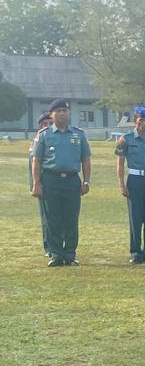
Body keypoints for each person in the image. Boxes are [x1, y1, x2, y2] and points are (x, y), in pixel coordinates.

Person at [31, 99, 91, 266]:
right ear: (52, 115)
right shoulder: (44, 135)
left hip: (72, 181)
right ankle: (56, 254)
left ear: (69, 113)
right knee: (53, 218)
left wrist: (86, 181)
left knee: (71, 218)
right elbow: (37, 160)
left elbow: (85, 160)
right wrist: (36, 183)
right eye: (58, 111)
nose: (62, 114)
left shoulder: (78, 135)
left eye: (65, 111)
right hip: (50, 180)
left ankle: (70, 254)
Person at [115, 106, 145, 263]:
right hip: (134, 180)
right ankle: (136, 252)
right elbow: (120, 163)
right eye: (142, 120)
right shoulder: (125, 139)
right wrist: (121, 184)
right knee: (135, 217)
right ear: (135, 121)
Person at [29, 112, 52, 256]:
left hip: (57, 182)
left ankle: (58, 245)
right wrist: (35, 184)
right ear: (41, 125)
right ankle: (49, 247)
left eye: (51, 123)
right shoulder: (38, 139)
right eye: (46, 124)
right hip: (43, 183)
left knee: (60, 217)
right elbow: (33, 165)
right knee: (47, 217)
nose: (49, 126)